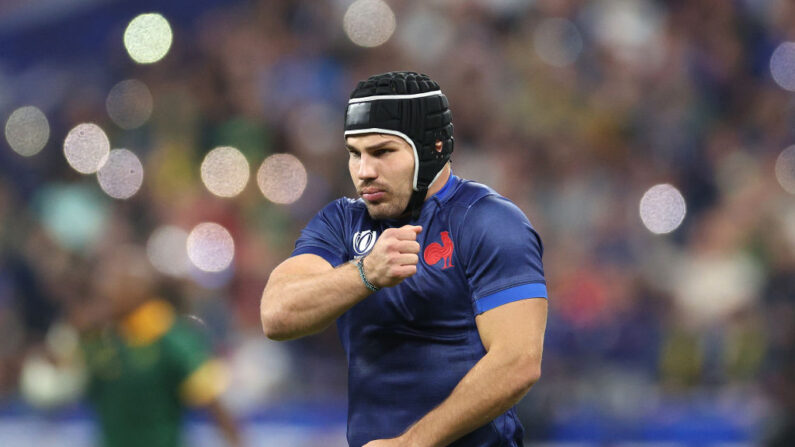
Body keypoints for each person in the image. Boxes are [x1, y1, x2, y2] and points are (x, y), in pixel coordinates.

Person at [261, 71, 548, 447]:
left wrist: (412, 444)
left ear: (433, 148)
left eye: (382, 152)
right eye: (355, 153)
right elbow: (276, 315)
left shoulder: (488, 222)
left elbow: (519, 362)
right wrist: (366, 273)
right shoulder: (341, 221)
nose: (364, 171)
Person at [72, 247, 242, 447]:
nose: (103, 289)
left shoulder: (172, 338)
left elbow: (215, 405)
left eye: (112, 281)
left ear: (138, 288)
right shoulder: (101, 339)